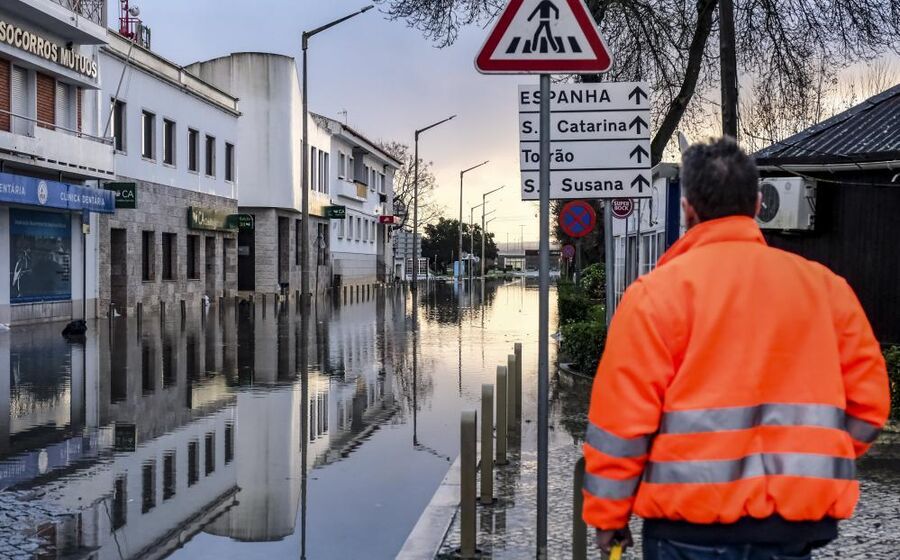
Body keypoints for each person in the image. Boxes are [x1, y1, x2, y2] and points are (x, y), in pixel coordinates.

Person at [582, 138, 891, 559]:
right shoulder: (825, 289)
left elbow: (620, 426)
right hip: (791, 529)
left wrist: (610, 518)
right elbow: (869, 406)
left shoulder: (655, 296)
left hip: (685, 527)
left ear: (687, 208)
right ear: (759, 203)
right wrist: (809, 463)